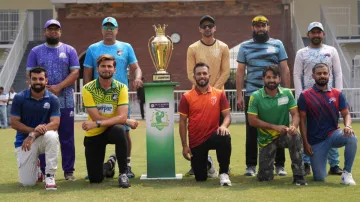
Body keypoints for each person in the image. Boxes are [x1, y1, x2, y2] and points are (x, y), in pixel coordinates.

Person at [83, 17, 143, 178]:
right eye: (106, 27)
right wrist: (88, 93)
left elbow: (136, 68)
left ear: (117, 30)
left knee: (124, 132)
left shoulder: (126, 47)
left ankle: (127, 166)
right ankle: (100, 165)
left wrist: (137, 78)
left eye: (112, 27)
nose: (109, 30)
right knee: (97, 129)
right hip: (99, 97)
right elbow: (87, 73)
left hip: (119, 97)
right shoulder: (92, 48)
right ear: (102, 29)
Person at [236, 15, 291, 176]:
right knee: (252, 130)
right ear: (252, 28)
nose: (260, 28)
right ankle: (251, 166)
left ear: (268, 27)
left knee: (279, 127)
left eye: (263, 25)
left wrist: (287, 93)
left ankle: (279, 165)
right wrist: (239, 95)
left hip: (276, 94)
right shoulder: (244, 47)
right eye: (257, 26)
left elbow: (284, 69)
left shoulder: (277, 44)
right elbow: (240, 72)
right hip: (253, 94)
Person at [26, 19, 79, 181]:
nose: (53, 32)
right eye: (50, 29)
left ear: (60, 32)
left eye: (56, 29)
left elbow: (75, 73)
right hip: (43, 102)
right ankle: (43, 170)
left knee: (67, 137)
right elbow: (30, 75)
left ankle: (68, 171)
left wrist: (59, 86)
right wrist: (42, 91)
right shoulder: (36, 51)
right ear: (45, 32)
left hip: (66, 101)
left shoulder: (69, 50)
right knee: (43, 135)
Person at [294, 22, 343, 176]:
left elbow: (338, 73)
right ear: (308, 35)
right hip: (308, 97)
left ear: (323, 34)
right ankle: (306, 162)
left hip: (328, 95)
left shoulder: (331, 50)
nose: (316, 35)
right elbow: (297, 74)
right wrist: (299, 95)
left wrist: (338, 93)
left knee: (332, 128)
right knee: (306, 128)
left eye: (318, 32)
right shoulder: (302, 52)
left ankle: (334, 164)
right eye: (312, 32)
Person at [82, 54, 138, 188]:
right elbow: (96, 117)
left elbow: (121, 116)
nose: (106, 69)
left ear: (115, 70)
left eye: (109, 66)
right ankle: (109, 165)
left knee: (120, 130)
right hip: (94, 133)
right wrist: (125, 120)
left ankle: (123, 174)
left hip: (111, 130)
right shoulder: (87, 89)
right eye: (103, 66)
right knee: (95, 179)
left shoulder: (121, 88)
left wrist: (122, 120)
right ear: (97, 69)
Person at [186, 14, 231, 177]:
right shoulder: (192, 48)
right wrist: (202, 89)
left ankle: (224, 168)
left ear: (215, 28)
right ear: (200, 29)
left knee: (221, 133)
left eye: (210, 26)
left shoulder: (223, 47)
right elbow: (191, 73)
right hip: (196, 98)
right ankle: (198, 163)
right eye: (204, 26)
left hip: (217, 98)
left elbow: (226, 72)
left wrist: (213, 90)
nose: (207, 28)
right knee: (196, 131)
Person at [298, 63, 357, 185]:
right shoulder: (305, 95)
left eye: (325, 73)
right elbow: (302, 120)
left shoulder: (337, 94)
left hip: (333, 135)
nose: (322, 76)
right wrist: (305, 142)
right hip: (316, 141)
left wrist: (348, 126)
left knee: (351, 137)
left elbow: (346, 114)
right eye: (319, 73)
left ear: (329, 75)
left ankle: (347, 173)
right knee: (319, 177)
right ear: (313, 76)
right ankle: (321, 167)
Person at [247, 65, 307, 185]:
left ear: (279, 79)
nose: (271, 80)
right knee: (264, 178)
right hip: (266, 139)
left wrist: (294, 126)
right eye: (268, 77)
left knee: (295, 136)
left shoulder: (287, 93)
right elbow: (252, 121)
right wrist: (274, 127)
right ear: (263, 79)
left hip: (283, 135)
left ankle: (299, 176)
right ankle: (267, 170)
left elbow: (295, 114)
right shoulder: (255, 96)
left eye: (274, 77)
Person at [179, 62, 232, 186]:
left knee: (224, 136)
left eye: (204, 73)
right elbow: (182, 122)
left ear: (209, 75)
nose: (202, 76)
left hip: (213, 135)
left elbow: (227, 116)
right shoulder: (186, 97)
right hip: (196, 141)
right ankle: (208, 164)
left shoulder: (219, 94)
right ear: (194, 77)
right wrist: (184, 146)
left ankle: (224, 173)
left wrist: (223, 126)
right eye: (199, 74)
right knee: (200, 178)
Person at [10, 67, 60, 190]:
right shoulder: (19, 98)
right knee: (27, 183)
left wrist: (34, 134)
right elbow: (14, 123)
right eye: (34, 79)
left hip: (42, 138)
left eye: (41, 79)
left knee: (52, 135)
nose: (38, 81)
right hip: (24, 142)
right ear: (29, 81)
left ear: (46, 80)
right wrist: (32, 131)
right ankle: (37, 170)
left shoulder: (53, 99)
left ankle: (50, 175)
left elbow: (55, 123)